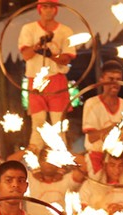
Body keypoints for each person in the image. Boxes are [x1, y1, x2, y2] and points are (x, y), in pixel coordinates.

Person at [18, 0, 76, 153]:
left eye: (51, 6)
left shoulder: (65, 31)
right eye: (45, 6)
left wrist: (51, 55)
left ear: (56, 9)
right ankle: (34, 162)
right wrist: (38, 46)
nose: (48, 10)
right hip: (35, 81)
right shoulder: (29, 29)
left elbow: (66, 59)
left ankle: (61, 160)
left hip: (56, 79)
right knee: (38, 124)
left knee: (59, 125)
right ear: (39, 9)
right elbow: (26, 55)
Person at [81, 60, 123, 176]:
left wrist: (119, 139)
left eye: (118, 79)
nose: (115, 83)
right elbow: (91, 137)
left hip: (119, 158)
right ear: (101, 79)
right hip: (97, 155)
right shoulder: (91, 104)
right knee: (98, 185)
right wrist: (111, 129)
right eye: (111, 79)